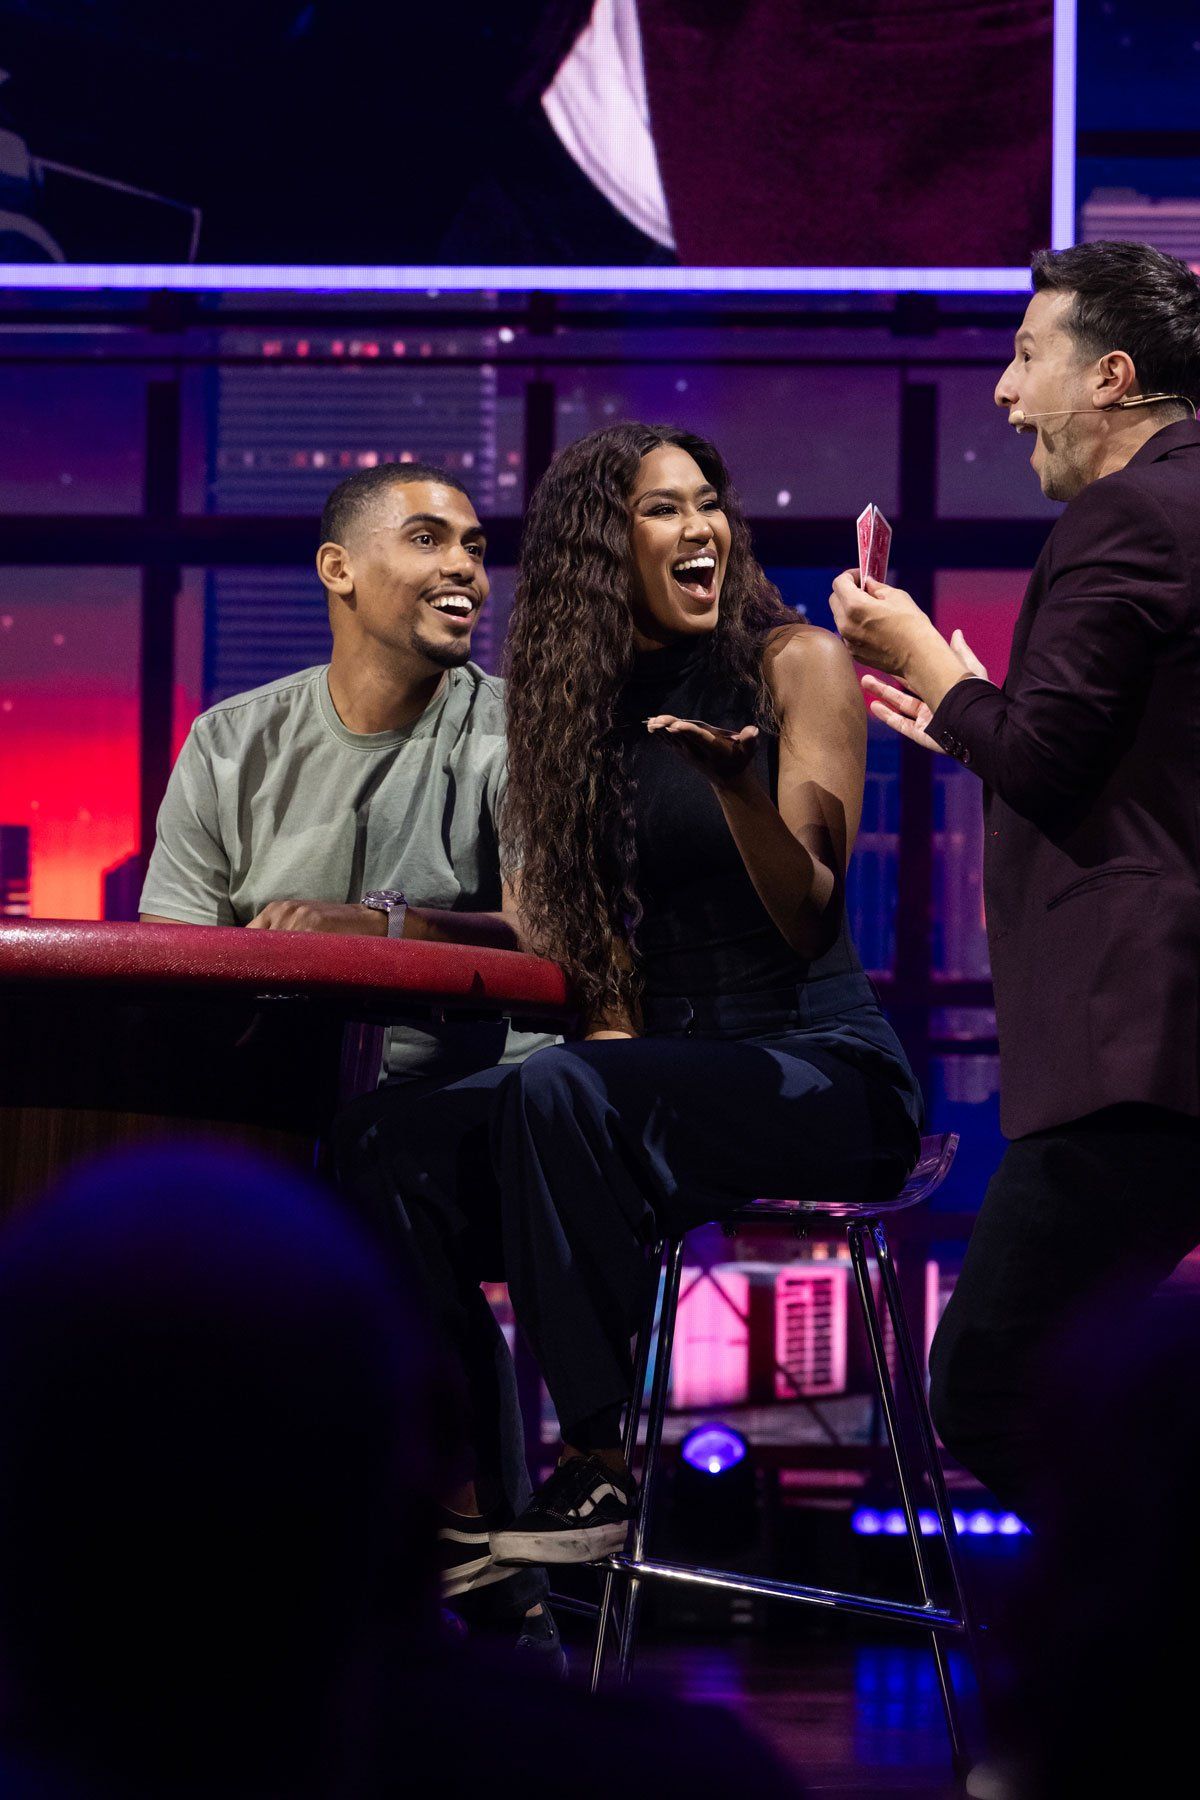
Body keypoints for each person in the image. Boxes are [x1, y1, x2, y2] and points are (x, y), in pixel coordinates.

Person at [338, 423, 923, 1564]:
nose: (700, 528)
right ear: (603, 547)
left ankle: (600, 1471)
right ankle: (459, 1497)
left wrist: (738, 785)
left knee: (569, 1090)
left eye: (708, 502)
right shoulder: (573, 710)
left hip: (825, 1069)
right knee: (382, 1142)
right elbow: (581, 955)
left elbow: (809, 910)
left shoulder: (792, 663)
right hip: (652, 1075)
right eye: (663, 510)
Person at [138, 461, 557, 1649]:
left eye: (475, 545)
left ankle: (483, 1571)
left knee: (385, 1173)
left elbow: (558, 935)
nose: (466, 569)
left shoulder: (512, 729)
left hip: (477, 1111)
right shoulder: (232, 742)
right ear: (339, 571)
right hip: (277, 1114)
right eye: (429, 540)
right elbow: (175, 961)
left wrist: (375, 926)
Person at [827, 240, 1200, 1522]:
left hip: (1138, 1048)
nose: (1002, 391)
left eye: (1026, 356)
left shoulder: (1131, 515)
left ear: (1112, 374)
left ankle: (1146, 1651)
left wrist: (931, 660)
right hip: (1162, 1045)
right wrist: (971, 710)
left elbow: (1046, 763)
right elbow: (1117, 759)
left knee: (989, 1383)